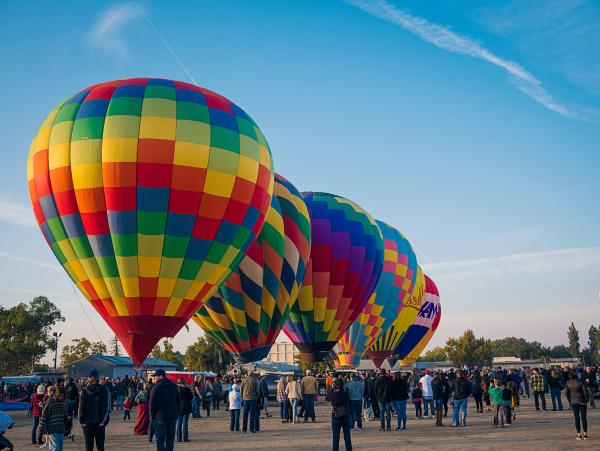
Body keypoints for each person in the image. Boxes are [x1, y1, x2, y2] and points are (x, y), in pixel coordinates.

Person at [79, 369, 109, 451]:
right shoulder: (104, 389)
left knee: (88, 447)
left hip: (87, 423)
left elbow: (81, 408)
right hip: (99, 423)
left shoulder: (84, 391)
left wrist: (82, 421)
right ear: (97, 377)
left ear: (89, 378)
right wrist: (103, 421)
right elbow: (106, 407)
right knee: (100, 447)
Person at [149, 369, 180, 451]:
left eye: (155, 376)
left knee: (160, 440)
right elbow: (178, 401)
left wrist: (152, 417)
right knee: (170, 440)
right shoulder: (173, 386)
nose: (154, 378)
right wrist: (177, 413)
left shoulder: (156, 388)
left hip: (160, 417)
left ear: (160, 376)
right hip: (172, 416)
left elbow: (152, 405)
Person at [39, 386, 70, 451]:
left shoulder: (64, 402)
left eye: (63, 396)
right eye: (60, 396)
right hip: (52, 428)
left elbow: (65, 413)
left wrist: (67, 417)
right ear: (56, 394)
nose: (61, 398)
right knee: (55, 448)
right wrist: (41, 427)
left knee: (60, 447)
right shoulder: (51, 401)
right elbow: (44, 415)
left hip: (61, 428)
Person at [326, 379, 352, 451]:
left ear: (336, 386)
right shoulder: (345, 393)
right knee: (347, 437)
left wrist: (332, 389)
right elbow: (348, 398)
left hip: (336, 415)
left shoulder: (333, 394)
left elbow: (327, 398)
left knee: (336, 437)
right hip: (345, 414)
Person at [565, 371, 589, 440]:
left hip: (573, 402)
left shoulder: (568, 383)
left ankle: (578, 434)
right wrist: (587, 399)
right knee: (584, 418)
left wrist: (569, 400)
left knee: (577, 418)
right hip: (582, 401)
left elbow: (566, 393)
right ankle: (585, 434)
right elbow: (585, 391)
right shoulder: (580, 381)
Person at [176, 378, 192, 443]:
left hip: (179, 407)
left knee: (179, 423)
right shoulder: (187, 388)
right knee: (185, 423)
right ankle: (185, 438)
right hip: (187, 406)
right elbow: (191, 397)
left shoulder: (177, 389)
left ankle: (179, 438)